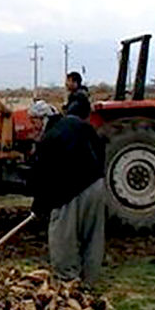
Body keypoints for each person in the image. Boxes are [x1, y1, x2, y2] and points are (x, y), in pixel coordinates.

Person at [27, 100, 107, 283]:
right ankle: (89, 280)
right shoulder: (76, 123)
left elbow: (43, 177)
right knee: (92, 236)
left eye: (34, 122)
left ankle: (67, 280)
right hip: (96, 185)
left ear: (43, 118)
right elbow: (100, 147)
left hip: (70, 193)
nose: (33, 126)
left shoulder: (49, 139)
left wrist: (39, 205)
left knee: (62, 238)